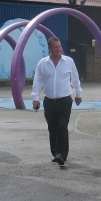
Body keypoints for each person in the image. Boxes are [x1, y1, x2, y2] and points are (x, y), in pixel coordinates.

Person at [31, 36, 82, 166]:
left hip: (65, 100)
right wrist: (35, 98)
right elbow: (37, 81)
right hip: (49, 102)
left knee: (62, 126)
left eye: (60, 46)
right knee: (52, 128)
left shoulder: (69, 61)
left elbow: (75, 78)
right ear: (49, 48)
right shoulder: (43, 63)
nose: (59, 49)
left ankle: (62, 154)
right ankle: (55, 153)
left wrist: (78, 94)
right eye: (56, 47)